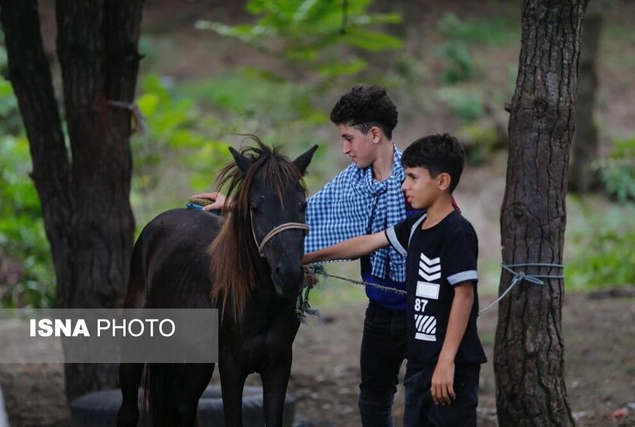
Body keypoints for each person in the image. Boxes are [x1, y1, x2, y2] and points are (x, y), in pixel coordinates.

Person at [194, 85, 411, 426]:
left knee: (420, 396)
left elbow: (379, 240)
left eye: (348, 138)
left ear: (374, 133)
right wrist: (240, 206)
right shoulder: (352, 182)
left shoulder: (414, 178)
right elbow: (300, 212)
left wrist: (306, 259)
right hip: (380, 310)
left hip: (420, 308)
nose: (344, 149)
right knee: (373, 398)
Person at [303, 134, 487, 427]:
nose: (404, 186)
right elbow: (365, 243)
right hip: (419, 360)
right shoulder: (414, 226)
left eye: (413, 178)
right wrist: (308, 256)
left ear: (441, 182)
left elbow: (464, 297)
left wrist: (446, 362)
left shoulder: (457, 232)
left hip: (451, 365)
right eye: (405, 177)